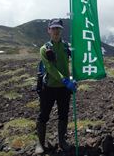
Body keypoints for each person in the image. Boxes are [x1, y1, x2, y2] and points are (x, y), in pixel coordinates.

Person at [35, 18, 76, 154]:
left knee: (63, 114)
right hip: (49, 87)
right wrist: (65, 80)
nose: (56, 31)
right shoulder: (44, 49)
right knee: (43, 115)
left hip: (64, 89)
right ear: (49, 30)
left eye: (58, 28)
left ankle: (62, 141)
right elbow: (50, 68)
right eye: (53, 29)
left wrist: (73, 78)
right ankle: (40, 144)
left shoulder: (66, 47)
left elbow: (76, 61)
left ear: (61, 30)